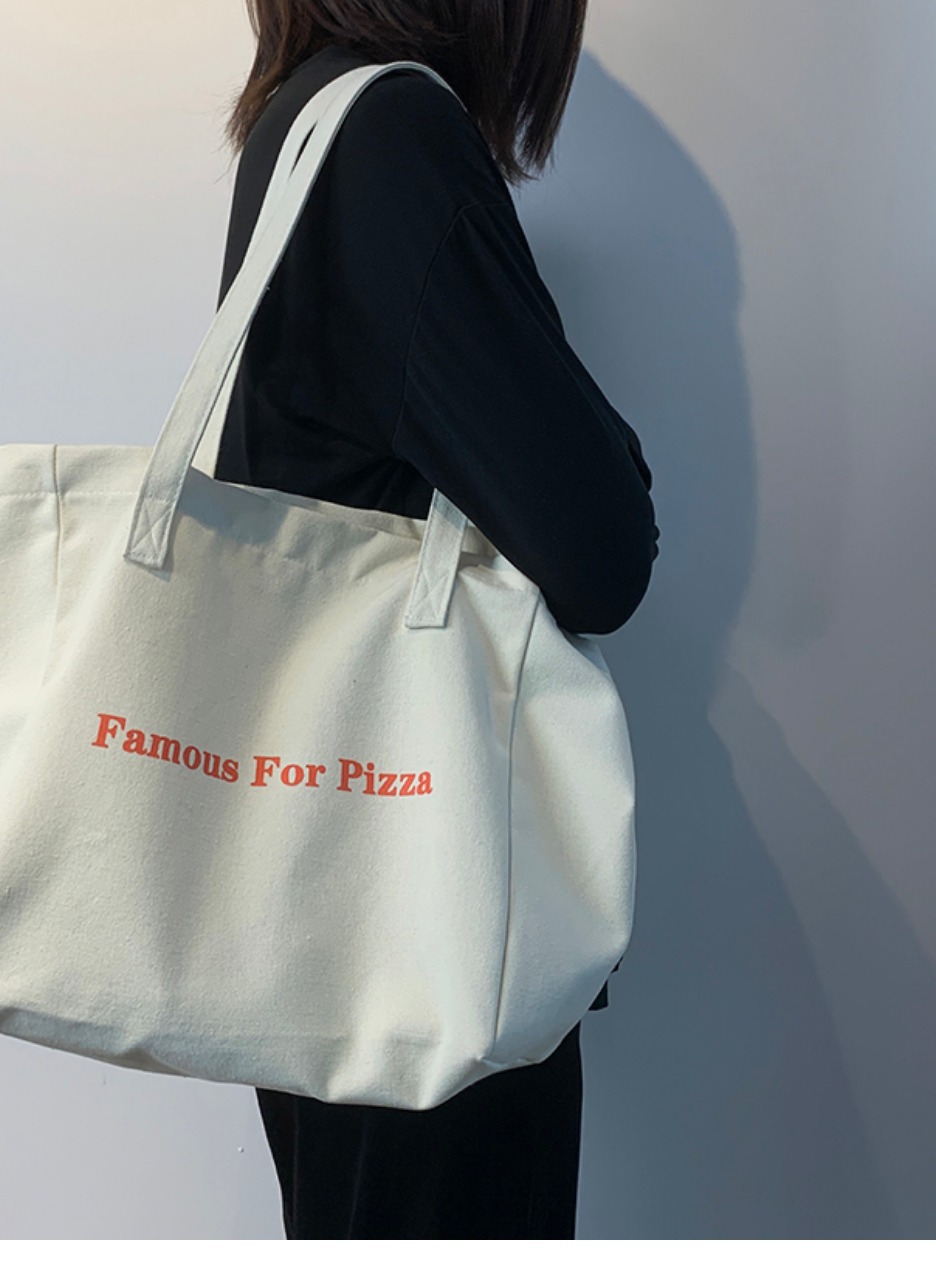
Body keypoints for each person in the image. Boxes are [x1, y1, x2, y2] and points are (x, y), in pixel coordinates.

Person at [213, 0, 659, 1240]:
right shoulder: (391, 136)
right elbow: (600, 548)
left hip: (330, 877)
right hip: (416, 907)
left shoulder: (304, 117)